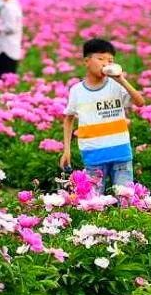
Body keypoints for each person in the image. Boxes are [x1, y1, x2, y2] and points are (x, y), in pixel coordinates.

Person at [61, 39, 145, 193]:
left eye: (110, 60)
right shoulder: (77, 91)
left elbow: (140, 102)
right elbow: (68, 119)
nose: (105, 64)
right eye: (100, 59)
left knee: (125, 199)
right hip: (93, 155)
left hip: (121, 154)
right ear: (87, 61)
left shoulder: (117, 85)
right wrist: (67, 150)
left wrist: (122, 80)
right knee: (93, 202)